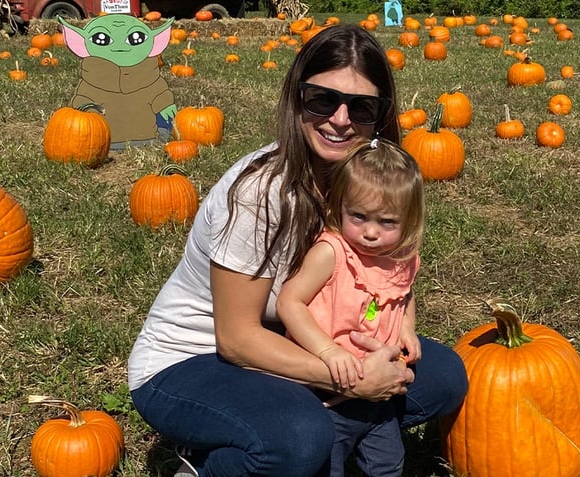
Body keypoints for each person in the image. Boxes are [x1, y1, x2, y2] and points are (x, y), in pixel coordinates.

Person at [126, 24, 468, 477]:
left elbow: (392, 272)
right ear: (297, 98)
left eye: (362, 107)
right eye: (323, 99)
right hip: (196, 360)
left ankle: (316, 433)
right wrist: (354, 379)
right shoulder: (261, 194)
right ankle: (213, 463)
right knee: (300, 438)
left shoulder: (366, 189)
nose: (341, 119)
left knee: (442, 376)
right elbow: (237, 339)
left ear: (382, 116)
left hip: (303, 339)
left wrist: (397, 331)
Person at [277, 136, 425, 477]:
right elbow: (290, 301)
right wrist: (328, 351)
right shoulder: (332, 253)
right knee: (327, 463)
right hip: (326, 391)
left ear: (408, 220)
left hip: (379, 391)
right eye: (358, 216)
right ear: (338, 208)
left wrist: (406, 326)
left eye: (387, 222)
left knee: (388, 463)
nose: (370, 232)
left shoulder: (401, 258)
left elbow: (404, 293)